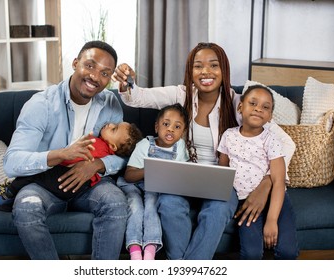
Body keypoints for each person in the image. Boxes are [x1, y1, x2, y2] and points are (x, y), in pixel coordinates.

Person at [112, 42, 295, 259]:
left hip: (223, 179)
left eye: (213, 65)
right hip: (185, 174)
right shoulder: (182, 95)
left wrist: (267, 182)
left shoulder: (238, 103)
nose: (206, 72)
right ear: (191, 71)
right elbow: (139, 96)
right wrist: (127, 83)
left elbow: (286, 143)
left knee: (217, 210)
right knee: (168, 204)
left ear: (223, 70)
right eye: (198, 66)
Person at [3, 40, 129, 260]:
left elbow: (124, 156)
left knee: (116, 203)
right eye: (89, 66)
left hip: (90, 185)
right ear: (75, 63)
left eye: (104, 73)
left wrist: (97, 165)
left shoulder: (110, 103)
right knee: (26, 208)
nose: (94, 77)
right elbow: (11, 162)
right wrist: (61, 154)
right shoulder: (41, 104)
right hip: (45, 183)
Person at [0, 122, 143, 212]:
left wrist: (58, 158)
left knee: (37, 172)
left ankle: (7, 195)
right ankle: (8, 189)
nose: (109, 124)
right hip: (75, 182)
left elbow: (75, 158)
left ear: (113, 146)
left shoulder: (99, 146)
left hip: (71, 180)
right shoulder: (103, 146)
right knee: (37, 172)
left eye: (113, 129)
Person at [217, 84, 299, 259]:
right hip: (246, 202)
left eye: (265, 107)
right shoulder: (228, 136)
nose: (258, 109)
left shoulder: (272, 140)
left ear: (270, 116)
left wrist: (271, 220)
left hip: (276, 199)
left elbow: (278, 181)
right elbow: (222, 170)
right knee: (252, 254)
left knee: (287, 252)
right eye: (252, 103)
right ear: (240, 107)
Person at [118, 103, 189, 260]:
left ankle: (150, 249)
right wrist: (151, 169)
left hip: (156, 188)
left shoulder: (181, 146)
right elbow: (129, 175)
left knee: (152, 204)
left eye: (177, 127)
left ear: (183, 133)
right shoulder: (144, 144)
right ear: (157, 127)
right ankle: (135, 249)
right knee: (136, 207)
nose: (170, 129)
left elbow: (183, 173)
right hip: (134, 186)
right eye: (166, 124)